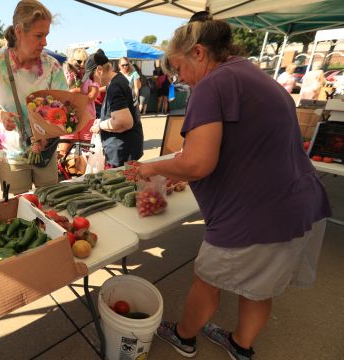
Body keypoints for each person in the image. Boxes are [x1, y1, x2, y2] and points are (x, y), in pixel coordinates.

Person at [136, 15, 331, 360]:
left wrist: (152, 167)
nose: (179, 79)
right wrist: (186, 168)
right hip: (298, 202)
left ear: (198, 52)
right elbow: (242, 144)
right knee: (259, 288)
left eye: (179, 68)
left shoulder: (212, 84)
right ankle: (241, 346)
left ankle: (184, 337)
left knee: (206, 279)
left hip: (257, 212)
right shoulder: (251, 72)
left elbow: (198, 163)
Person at [0, 0, 68, 195]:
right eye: (39, 35)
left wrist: (47, 133)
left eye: (46, 35)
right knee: (19, 211)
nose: (45, 42)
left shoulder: (51, 67)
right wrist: (1, 115)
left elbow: (64, 108)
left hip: (45, 151)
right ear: (19, 31)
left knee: (51, 205)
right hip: (11, 155)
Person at [90, 49, 143, 168]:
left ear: (99, 70)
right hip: (128, 148)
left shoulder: (115, 86)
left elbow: (124, 122)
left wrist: (100, 126)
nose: (91, 80)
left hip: (122, 151)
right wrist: (102, 119)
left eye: (90, 76)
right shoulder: (118, 80)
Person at [59, 52, 100, 156]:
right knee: (64, 152)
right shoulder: (64, 74)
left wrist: (75, 92)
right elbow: (60, 96)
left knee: (86, 152)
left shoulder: (92, 75)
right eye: (79, 61)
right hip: (67, 117)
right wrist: (78, 92)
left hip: (87, 117)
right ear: (72, 61)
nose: (82, 64)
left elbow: (92, 96)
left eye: (85, 62)